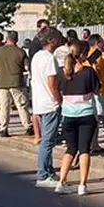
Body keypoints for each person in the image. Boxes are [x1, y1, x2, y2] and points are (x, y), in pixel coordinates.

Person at [54, 40, 99, 196]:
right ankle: (82, 185)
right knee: (84, 149)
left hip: (68, 115)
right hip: (86, 114)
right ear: (84, 55)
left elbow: (58, 90)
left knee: (70, 149)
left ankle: (61, 182)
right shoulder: (88, 72)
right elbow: (98, 91)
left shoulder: (62, 73)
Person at [31, 29, 64, 188]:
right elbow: (53, 84)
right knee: (47, 141)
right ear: (52, 41)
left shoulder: (36, 57)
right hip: (50, 103)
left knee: (47, 140)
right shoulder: (50, 59)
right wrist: (60, 100)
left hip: (39, 103)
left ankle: (49, 171)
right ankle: (43, 175)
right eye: (58, 39)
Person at [0, 30, 32, 137]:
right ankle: (28, 126)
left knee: (4, 106)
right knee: (21, 105)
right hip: (17, 81)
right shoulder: (21, 52)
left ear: (7, 38)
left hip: (1, 82)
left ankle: (4, 128)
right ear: (17, 39)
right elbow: (26, 67)